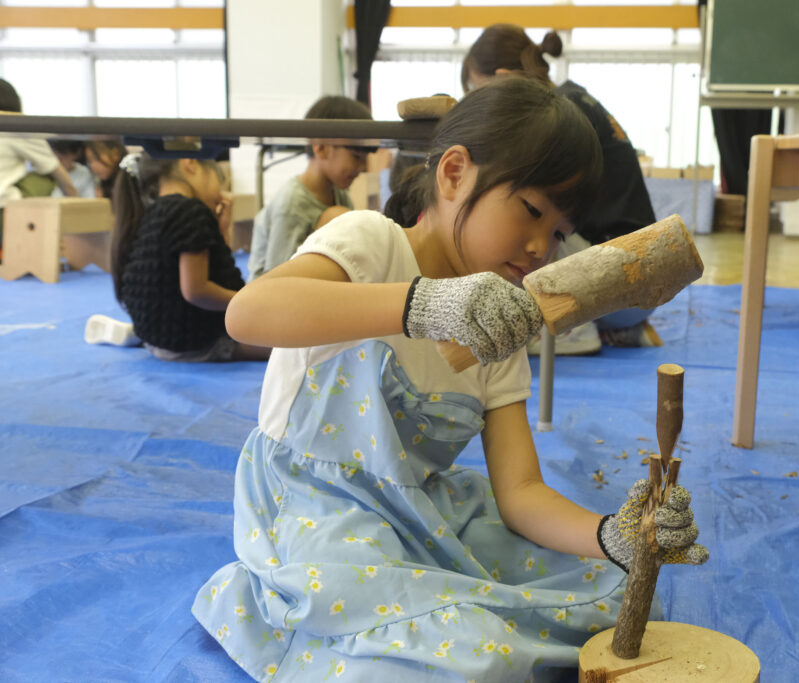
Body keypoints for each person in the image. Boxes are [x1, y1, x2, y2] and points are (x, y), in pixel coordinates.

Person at [192, 78, 707, 681]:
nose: (542, 246)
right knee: (455, 653)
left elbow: (520, 493)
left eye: (561, 232)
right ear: (455, 173)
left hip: (423, 510)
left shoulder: (504, 327)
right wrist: (423, 305)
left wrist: (617, 538)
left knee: (610, 595)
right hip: (319, 508)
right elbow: (248, 313)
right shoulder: (372, 243)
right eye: (533, 211)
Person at [460, 24, 661, 354]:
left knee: (528, 217)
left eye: (479, 93)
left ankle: (571, 329)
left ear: (503, 78)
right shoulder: (572, 99)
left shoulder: (555, 118)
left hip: (625, 286)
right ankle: (611, 328)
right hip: (641, 286)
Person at [85, 153, 270, 361]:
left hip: (156, 339)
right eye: (219, 180)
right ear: (190, 163)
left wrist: (221, 230)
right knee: (292, 344)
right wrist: (247, 302)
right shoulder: (189, 209)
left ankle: (137, 335)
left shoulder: (154, 211)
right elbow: (196, 291)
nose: (220, 193)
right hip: (198, 342)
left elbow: (212, 269)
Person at [247, 95, 374, 280]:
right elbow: (276, 280)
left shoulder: (340, 194)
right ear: (321, 148)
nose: (363, 168)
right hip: (271, 297)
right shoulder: (292, 204)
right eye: (356, 157)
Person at [0, 79, 79, 254]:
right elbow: (59, 175)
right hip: (4, 215)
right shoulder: (17, 124)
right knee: (47, 174)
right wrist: (79, 209)